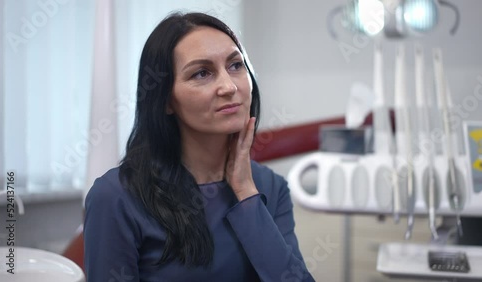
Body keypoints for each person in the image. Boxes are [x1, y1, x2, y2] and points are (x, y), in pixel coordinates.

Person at [83, 11, 315, 282]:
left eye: (235, 65)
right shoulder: (116, 197)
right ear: (165, 100)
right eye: (202, 73)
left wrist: (246, 193)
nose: (228, 86)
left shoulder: (270, 187)